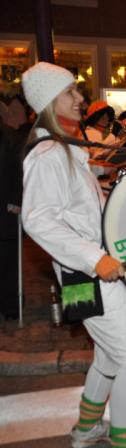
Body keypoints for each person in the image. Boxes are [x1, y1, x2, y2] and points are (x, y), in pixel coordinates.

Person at [20, 62, 126, 448]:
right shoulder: (48, 154)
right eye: (70, 93)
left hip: (77, 275)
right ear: (49, 101)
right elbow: (38, 220)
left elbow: (78, 210)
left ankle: (85, 430)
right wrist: (95, 258)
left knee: (110, 356)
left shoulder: (65, 149)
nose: (80, 98)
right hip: (88, 273)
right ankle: (124, 441)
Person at [0, 118, 23, 320]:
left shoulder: (10, 136)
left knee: (8, 257)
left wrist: (17, 199)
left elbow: (20, 171)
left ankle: (11, 304)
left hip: (5, 206)